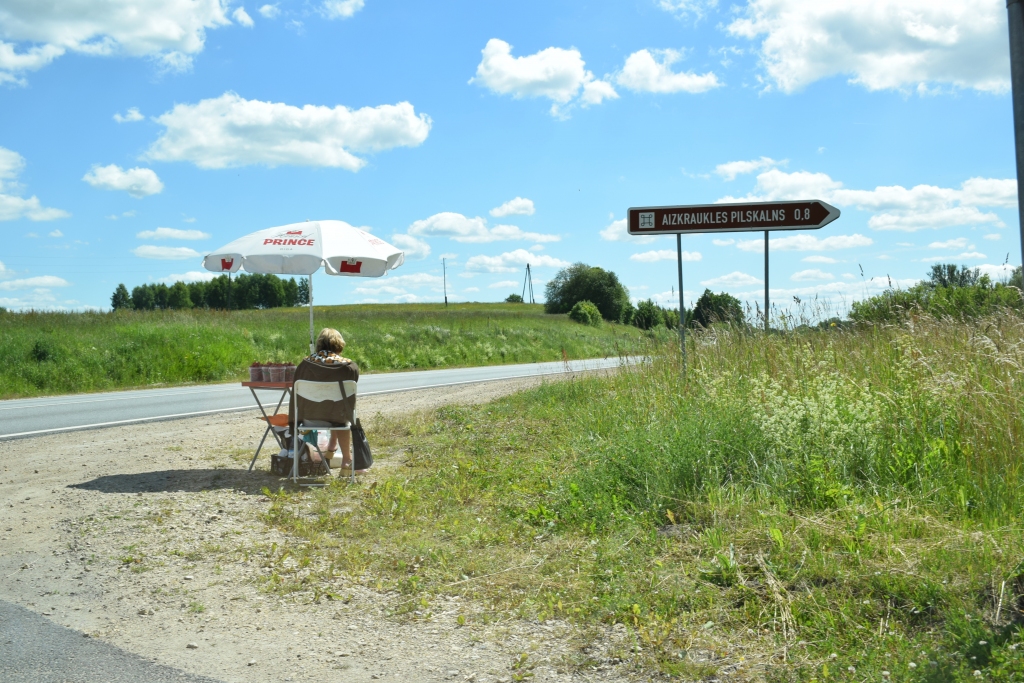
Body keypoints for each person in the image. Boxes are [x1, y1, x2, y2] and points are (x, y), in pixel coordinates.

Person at [290, 328, 360, 472]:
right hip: (338, 419)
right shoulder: (350, 367)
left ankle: (332, 446)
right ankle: (346, 461)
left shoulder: (304, 366)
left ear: (319, 344)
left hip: (309, 419)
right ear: (339, 345)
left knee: (332, 409)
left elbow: (295, 397)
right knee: (339, 411)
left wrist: (293, 421)